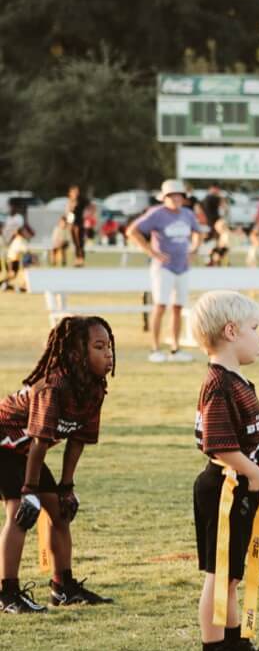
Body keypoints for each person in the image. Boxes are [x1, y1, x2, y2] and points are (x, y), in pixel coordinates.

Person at [189, 291, 259, 651]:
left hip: (240, 485)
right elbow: (219, 444)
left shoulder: (237, 380)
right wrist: (253, 473)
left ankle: (235, 646)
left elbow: (246, 439)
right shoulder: (219, 384)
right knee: (219, 573)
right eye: (254, 329)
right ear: (231, 331)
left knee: (232, 575)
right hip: (223, 489)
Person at [1, 316, 117, 612]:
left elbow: (77, 440)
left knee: (60, 512)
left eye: (109, 346)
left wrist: (66, 487)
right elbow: (40, 442)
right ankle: (7, 594)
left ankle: (63, 587)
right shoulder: (53, 386)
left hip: (25, 450)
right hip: (4, 445)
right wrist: (29, 490)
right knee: (21, 511)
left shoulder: (94, 388)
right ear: (76, 353)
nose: (108, 354)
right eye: (99, 347)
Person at [128, 181, 199, 362]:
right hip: (163, 267)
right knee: (160, 306)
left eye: (178, 195)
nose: (175, 199)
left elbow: (198, 232)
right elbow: (132, 231)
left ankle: (175, 348)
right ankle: (155, 348)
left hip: (182, 267)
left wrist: (194, 250)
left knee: (178, 307)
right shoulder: (157, 213)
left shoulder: (187, 214)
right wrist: (152, 252)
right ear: (164, 198)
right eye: (171, 196)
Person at [196, 186, 231, 267]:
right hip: (215, 223)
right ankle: (217, 260)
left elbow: (198, 209)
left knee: (214, 243)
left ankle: (213, 260)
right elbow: (224, 206)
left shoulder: (204, 199)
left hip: (208, 224)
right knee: (221, 243)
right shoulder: (214, 198)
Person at [2, 221, 31, 292]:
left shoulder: (18, 240)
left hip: (14, 260)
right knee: (12, 274)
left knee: (13, 275)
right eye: (24, 232)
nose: (26, 233)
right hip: (11, 260)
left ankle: (5, 285)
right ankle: (3, 284)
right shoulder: (19, 240)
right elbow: (26, 250)